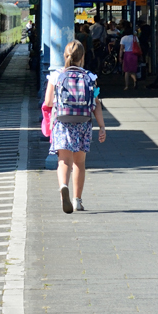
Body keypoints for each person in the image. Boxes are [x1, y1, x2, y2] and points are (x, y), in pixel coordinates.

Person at [44, 41, 106, 213]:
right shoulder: (90, 77)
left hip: (63, 122)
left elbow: (48, 102)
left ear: (65, 56)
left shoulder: (56, 76)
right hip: (83, 123)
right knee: (79, 162)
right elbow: (96, 104)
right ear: (83, 57)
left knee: (64, 161)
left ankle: (64, 186)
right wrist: (102, 127)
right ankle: (77, 200)